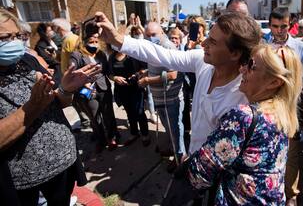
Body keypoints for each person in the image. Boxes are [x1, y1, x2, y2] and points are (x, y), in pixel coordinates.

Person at [95, 11, 261, 155]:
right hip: (193, 154)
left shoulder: (243, 98)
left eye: (213, 42)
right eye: (208, 37)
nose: (203, 43)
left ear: (235, 54)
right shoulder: (202, 62)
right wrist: (117, 39)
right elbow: (160, 54)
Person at [0, 8, 101, 205]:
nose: (14, 43)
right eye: (5, 37)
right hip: (23, 182)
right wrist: (32, 107)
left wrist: (66, 89)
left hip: (62, 165)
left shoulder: (27, 60)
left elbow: (57, 103)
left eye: (17, 36)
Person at [183, 45, 303, 205]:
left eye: (252, 66)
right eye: (246, 62)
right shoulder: (282, 116)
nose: (242, 70)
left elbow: (199, 175)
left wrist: (188, 162)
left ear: (274, 82)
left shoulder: (244, 117)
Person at [262, 8, 303, 204]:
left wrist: (290, 84)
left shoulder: (302, 48)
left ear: (290, 25)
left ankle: (291, 195)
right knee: (267, 152)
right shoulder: (262, 47)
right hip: (265, 109)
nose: (279, 31)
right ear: (270, 26)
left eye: (283, 26)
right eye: (275, 26)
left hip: (291, 110)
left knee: (291, 154)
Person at [136, 22, 186, 165]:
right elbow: (161, 68)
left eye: (154, 35)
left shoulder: (168, 47)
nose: (151, 38)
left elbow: (173, 74)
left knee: (176, 130)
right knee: (169, 130)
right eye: (148, 35)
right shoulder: (154, 47)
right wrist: (146, 72)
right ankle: (174, 150)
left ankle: (180, 160)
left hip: (170, 98)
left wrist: (148, 80)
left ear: (162, 33)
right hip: (160, 98)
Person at [70, 33, 119, 152]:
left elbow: (107, 70)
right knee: (95, 117)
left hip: (103, 88)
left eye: (97, 41)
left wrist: (115, 77)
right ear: (85, 42)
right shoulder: (77, 55)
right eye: (92, 41)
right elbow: (72, 71)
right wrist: (83, 82)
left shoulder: (101, 54)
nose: (95, 44)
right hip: (88, 91)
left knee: (108, 115)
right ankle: (101, 139)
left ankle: (112, 136)